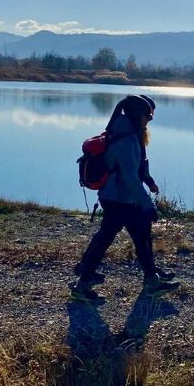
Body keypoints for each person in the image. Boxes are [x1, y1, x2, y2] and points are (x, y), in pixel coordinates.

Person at [73, 94, 178, 299]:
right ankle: (83, 285)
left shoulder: (124, 133)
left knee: (133, 236)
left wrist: (148, 182)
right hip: (120, 199)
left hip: (116, 197)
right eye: (148, 116)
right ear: (137, 115)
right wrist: (147, 205)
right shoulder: (126, 140)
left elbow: (138, 168)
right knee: (126, 237)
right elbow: (130, 178)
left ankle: (149, 279)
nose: (150, 119)